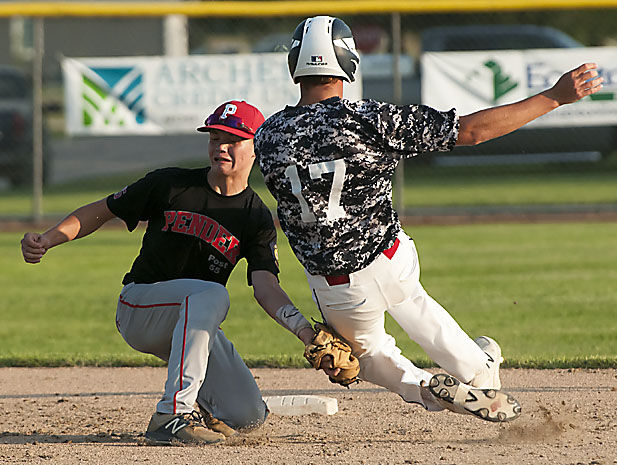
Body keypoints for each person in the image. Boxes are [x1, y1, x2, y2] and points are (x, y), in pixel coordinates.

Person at [254, 16, 604, 422]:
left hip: (338, 286)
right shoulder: (369, 119)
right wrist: (554, 97)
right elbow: (470, 131)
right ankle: (475, 369)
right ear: (348, 62)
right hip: (391, 255)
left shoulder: (269, 135)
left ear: (296, 63)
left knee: (370, 358)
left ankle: (425, 387)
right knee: (414, 301)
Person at [20, 100, 317, 445]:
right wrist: (49, 239)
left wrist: (305, 331)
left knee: (247, 416)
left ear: (256, 148)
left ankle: (202, 409)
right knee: (212, 294)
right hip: (141, 306)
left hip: (194, 318)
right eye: (214, 137)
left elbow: (265, 286)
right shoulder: (172, 184)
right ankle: (171, 416)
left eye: (232, 139)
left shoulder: (256, 217)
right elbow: (102, 211)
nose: (220, 146)